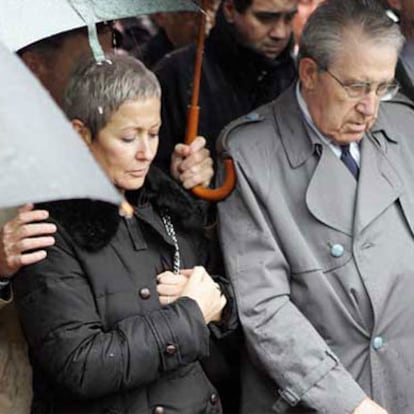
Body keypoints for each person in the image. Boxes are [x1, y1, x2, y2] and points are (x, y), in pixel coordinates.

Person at [217, 0, 412, 412]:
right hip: (323, 396)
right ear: (309, 73)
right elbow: (264, 307)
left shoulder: (405, 126)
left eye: (383, 87)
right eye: (356, 87)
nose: (370, 108)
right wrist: (351, 404)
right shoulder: (250, 154)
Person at [13, 53, 235, 414]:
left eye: (155, 133)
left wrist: (219, 302)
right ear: (81, 134)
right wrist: (191, 314)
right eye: (129, 137)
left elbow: (219, 289)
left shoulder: (165, 201)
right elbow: (80, 365)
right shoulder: (45, 227)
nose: (146, 153)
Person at [154, 0, 298, 172]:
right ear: (230, 9)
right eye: (265, 18)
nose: (280, 33)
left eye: (289, 18)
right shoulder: (176, 74)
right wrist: (178, 176)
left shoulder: (296, 75)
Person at [137, 0, 221, 69]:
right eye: (190, 12)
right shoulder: (141, 65)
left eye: (212, 11)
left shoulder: (221, 61)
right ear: (160, 15)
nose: (205, 21)